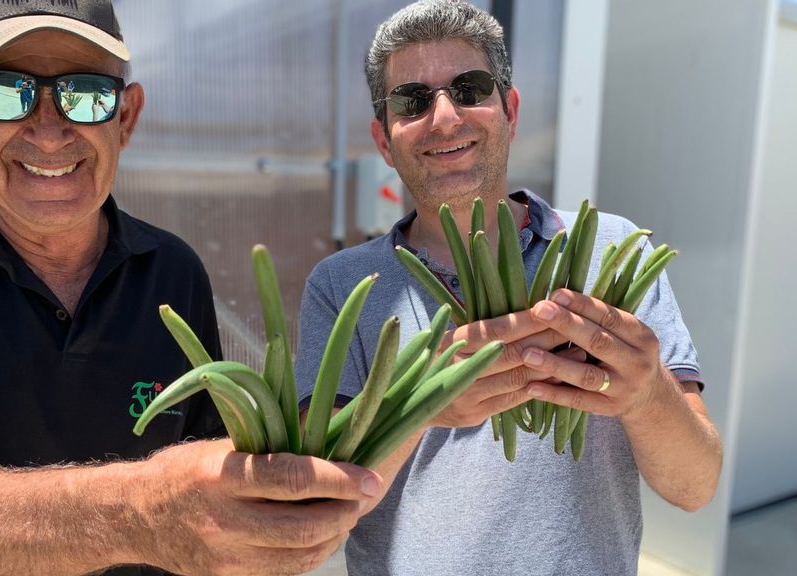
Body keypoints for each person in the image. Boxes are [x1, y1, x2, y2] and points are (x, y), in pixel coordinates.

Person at [0, 2, 381, 575]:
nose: (49, 132)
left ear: (125, 118)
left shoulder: (171, 272)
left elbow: (217, 498)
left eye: (85, 93)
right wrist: (140, 511)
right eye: (5, 90)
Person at [293, 1, 723, 575]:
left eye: (470, 88)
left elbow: (695, 486)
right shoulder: (344, 286)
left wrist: (647, 394)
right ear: (383, 138)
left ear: (510, 110)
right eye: (412, 100)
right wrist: (422, 406)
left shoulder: (612, 252)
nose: (444, 118)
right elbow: (314, 511)